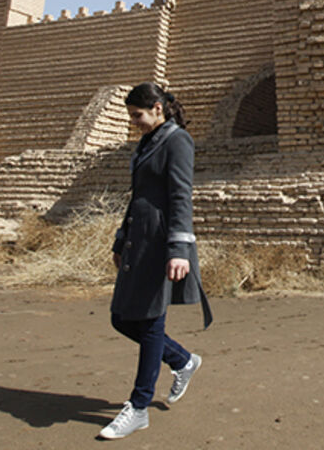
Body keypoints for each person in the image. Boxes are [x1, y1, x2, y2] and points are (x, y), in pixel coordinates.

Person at [100, 82, 213, 441]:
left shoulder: (178, 140)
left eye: (138, 115)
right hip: (139, 242)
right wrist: (121, 239)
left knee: (149, 323)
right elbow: (139, 198)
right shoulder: (148, 141)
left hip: (162, 244)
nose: (134, 122)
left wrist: (179, 249)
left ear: (158, 109)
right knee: (122, 317)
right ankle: (181, 360)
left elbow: (181, 195)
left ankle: (138, 407)